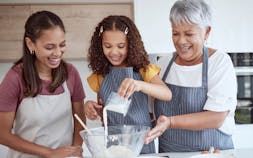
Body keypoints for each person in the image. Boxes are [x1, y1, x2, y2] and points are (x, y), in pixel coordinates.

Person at [144, 0, 237, 152]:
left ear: (206, 32)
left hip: (211, 152)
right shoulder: (165, 63)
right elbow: (148, 111)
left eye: (189, 34)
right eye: (175, 33)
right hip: (169, 153)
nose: (181, 41)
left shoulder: (219, 62)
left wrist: (170, 122)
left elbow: (216, 117)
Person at [0, 11, 86, 158]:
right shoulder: (15, 78)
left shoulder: (71, 73)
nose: (58, 53)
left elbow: (80, 121)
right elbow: (2, 134)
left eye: (62, 45)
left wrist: (75, 150)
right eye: (50, 47)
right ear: (30, 44)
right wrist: (50, 153)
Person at [83, 15, 172, 154]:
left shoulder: (143, 69)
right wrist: (92, 108)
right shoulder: (100, 76)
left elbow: (167, 94)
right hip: (114, 144)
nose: (114, 52)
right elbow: (104, 112)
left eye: (121, 46)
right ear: (100, 46)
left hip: (141, 142)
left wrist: (140, 85)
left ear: (131, 44)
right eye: (107, 46)